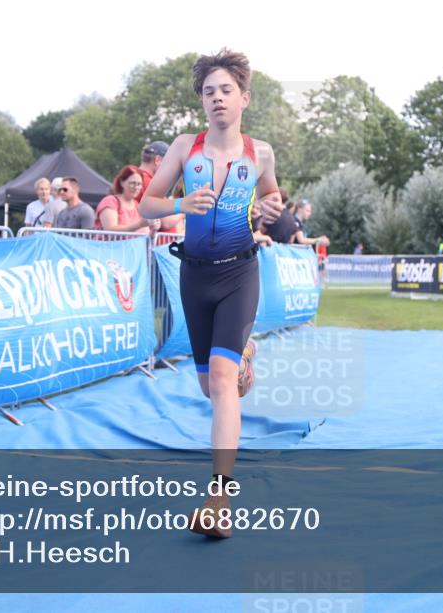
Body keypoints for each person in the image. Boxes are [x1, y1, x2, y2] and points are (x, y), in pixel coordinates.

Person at [139, 49, 284, 538]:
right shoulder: (185, 147)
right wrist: (180, 200)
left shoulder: (259, 152)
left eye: (226, 90)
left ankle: (218, 499)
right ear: (201, 101)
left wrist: (268, 210)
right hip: (195, 276)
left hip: (240, 273)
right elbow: (147, 203)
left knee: (220, 383)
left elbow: (274, 198)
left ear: (244, 97)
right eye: (208, 91)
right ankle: (244, 351)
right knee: (212, 387)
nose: (217, 98)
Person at [94, 165, 156, 234]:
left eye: (139, 184)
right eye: (132, 183)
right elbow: (110, 230)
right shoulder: (110, 201)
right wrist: (139, 225)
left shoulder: (138, 206)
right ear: (121, 182)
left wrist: (153, 228)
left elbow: (144, 235)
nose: (136, 187)